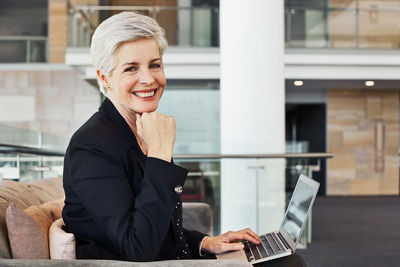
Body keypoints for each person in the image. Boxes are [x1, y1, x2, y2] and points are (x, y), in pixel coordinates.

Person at [62, 11, 306, 266]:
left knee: (286, 259)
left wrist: (205, 243)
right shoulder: (91, 146)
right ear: (105, 78)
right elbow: (138, 246)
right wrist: (159, 154)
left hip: (173, 260)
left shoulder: (142, 130)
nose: (148, 79)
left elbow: (157, 223)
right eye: (131, 68)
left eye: (154, 65)